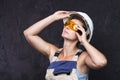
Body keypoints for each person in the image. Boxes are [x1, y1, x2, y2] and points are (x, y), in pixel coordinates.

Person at [23, 10, 107, 80]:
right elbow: (28, 34)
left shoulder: (82, 58)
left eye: (72, 26)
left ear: (81, 33)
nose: (67, 27)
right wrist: (53, 18)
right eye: (67, 24)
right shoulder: (53, 53)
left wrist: (84, 41)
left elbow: (101, 62)